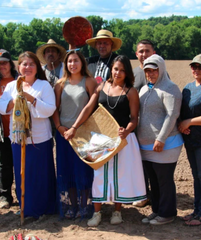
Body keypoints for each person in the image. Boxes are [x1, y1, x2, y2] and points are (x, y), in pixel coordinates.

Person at [65, 55, 146, 227]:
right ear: (112, 69)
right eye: (116, 68)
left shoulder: (131, 91)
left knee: (119, 176)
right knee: (99, 175)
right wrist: (74, 127)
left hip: (122, 139)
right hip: (100, 139)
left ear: (127, 73)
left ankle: (117, 211)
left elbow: (134, 118)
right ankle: (97, 213)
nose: (118, 72)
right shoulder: (102, 86)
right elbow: (88, 108)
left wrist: (127, 130)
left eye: (122, 70)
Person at [0, 51, 56, 219]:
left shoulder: (43, 86)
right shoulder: (11, 86)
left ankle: (44, 208)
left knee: (40, 174)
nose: (27, 67)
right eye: (24, 64)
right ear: (19, 67)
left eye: (31, 64)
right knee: (23, 173)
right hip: (18, 138)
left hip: (39, 138)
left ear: (37, 67)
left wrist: (31, 99)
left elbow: (49, 109)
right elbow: (2, 107)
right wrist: (15, 100)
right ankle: (26, 207)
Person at [137, 54, 183, 225]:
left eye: (154, 70)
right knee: (154, 180)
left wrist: (161, 138)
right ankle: (157, 211)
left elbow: (172, 115)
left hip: (166, 144)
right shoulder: (145, 88)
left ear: (161, 69)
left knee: (164, 180)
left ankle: (167, 213)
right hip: (146, 146)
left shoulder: (170, 88)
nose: (150, 74)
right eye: (147, 70)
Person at [52, 49, 97, 219]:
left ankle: (85, 206)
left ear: (82, 63)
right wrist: (59, 126)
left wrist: (75, 128)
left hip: (83, 135)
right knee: (67, 170)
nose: (73, 64)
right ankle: (71, 206)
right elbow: (55, 108)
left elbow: (90, 107)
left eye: (76, 60)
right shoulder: (60, 84)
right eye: (70, 61)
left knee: (83, 171)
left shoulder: (89, 82)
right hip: (64, 135)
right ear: (66, 64)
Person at [0, 49, 19, 209]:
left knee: (20, 163)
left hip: (19, 130)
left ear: (10, 63)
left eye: (4, 62)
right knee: (5, 164)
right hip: (1, 131)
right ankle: (5, 196)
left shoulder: (20, 80)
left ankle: (22, 194)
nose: (2, 66)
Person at [132, 39, 156, 208]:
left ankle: (154, 195)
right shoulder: (132, 74)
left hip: (152, 128)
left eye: (147, 51)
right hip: (135, 127)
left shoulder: (160, 73)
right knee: (137, 162)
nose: (144, 54)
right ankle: (142, 194)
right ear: (136, 54)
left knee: (153, 163)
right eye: (141, 51)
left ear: (153, 53)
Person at [179, 54, 201, 226]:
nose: (196, 69)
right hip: (190, 140)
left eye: (199, 66)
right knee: (196, 176)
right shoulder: (188, 88)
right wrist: (181, 123)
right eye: (193, 66)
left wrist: (189, 122)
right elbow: (182, 110)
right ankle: (197, 211)